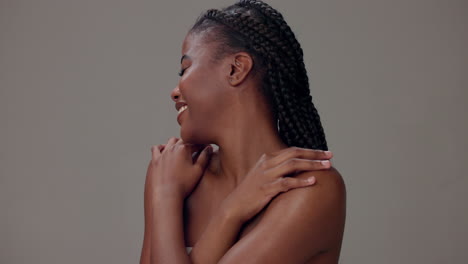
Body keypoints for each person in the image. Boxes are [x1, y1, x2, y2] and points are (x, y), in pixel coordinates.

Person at [140, 1, 346, 263]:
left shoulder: (311, 189)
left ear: (236, 69)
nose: (174, 91)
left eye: (185, 68)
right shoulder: (171, 175)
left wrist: (167, 198)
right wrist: (229, 211)